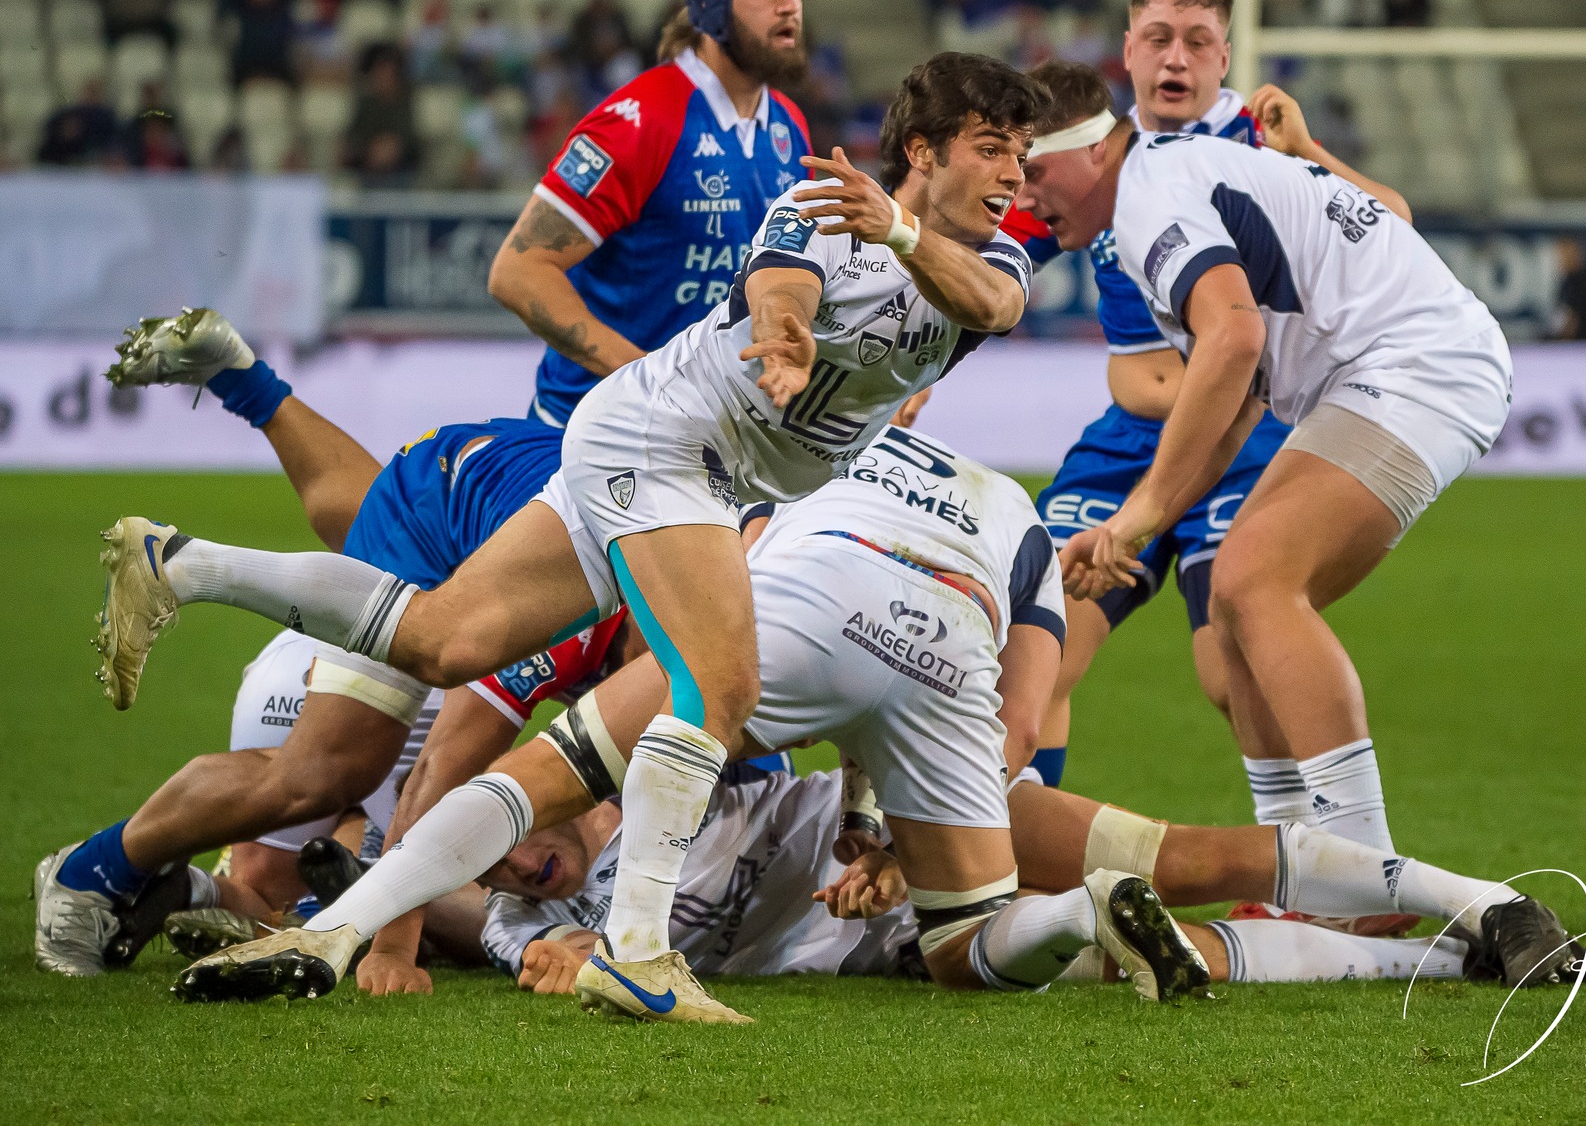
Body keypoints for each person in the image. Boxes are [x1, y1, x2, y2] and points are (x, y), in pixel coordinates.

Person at [96, 54, 1044, 1023]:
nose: (1014, 172)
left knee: (441, 640)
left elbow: (994, 305)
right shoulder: (814, 204)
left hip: (655, 448)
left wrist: (897, 228)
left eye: (1020, 152)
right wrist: (785, 333)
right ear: (921, 151)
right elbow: (780, 286)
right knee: (720, 690)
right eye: (991, 148)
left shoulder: (987, 256)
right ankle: (636, 951)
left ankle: (184, 564)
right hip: (672, 447)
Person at [171, 426, 1211, 1008]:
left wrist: (872, 822)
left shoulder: (708, 525)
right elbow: (1019, 722)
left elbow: (465, 754)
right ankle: (1106, 907)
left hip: (749, 593)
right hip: (892, 632)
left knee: (555, 751)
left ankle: (350, 904)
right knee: (458, 674)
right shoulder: (980, 501)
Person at [1018, 63, 1511, 869]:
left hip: (1417, 363)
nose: (1024, 197)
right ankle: (1303, 864)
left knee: (1251, 581)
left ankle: (1363, 867)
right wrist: (1134, 525)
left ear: (1093, 150)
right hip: (1382, 368)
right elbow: (1241, 393)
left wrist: (1137, 518)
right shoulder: (1162, 178)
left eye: (1034, 171)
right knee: (1235, 609)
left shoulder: (1149, 196)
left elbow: (1236, 339)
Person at [36, 310, 622, 978]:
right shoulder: (576, 621)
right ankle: (86, 874)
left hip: (504, 474)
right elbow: (442, 770)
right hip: (443, 509)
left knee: (377, 524)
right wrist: (397, 946)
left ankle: (248, 388)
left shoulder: (698, 596)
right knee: (323, 774)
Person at [1004, 0, 1409, 861]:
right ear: (1127, 51)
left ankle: (1314, 861)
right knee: (1039, 638)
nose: (1176, 59)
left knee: (1232, 666)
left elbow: (1393, 223)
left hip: (1251, 429)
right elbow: (990, 253)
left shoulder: (1252, 147)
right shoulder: (1080, 154)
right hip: (1131, 443)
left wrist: (1305, 150)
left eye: (1198, 42)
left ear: (1226, 57)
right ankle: (1014, 857)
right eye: (1158, 38)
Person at [480, 767, 1578, 995]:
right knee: (1134, 958)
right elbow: (486, 926)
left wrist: (875, 830)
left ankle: (1481, 901)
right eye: (500, 872)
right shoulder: (509, 906)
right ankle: (1435, 960)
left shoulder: (651, 742)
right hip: (865, 941)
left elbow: (830, 694)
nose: (525, 866)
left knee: (1178, 855)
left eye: (517, 839)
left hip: (924, 806)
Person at [489, 0, 813, 427]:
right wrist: (646, 382)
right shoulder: (643, 120)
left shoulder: (789, 126)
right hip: (589, 434)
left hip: (712, 438)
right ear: (709, 7)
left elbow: (789, 276)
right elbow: (518, 271)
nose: (789, 5)